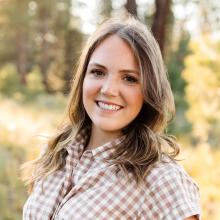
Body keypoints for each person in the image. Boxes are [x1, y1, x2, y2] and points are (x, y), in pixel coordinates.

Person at [22, 17, 201, 219]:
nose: (108, 90)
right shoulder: (56, 152)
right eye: (98, 72)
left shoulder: (161, 178)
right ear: (83, 78)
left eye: (129, 78)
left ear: (149, 90)